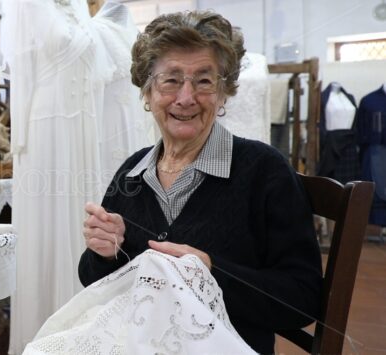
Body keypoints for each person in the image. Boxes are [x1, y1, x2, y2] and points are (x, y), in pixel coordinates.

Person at [78, 10, 322, 354]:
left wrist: (210, 271)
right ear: (148, 93)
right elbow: (94, 282)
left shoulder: (265, 171)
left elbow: (303, 298)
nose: (186, 97)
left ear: (224, 94)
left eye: (204, 81)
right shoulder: (132, 172)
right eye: (171, 80)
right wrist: (105, 253)